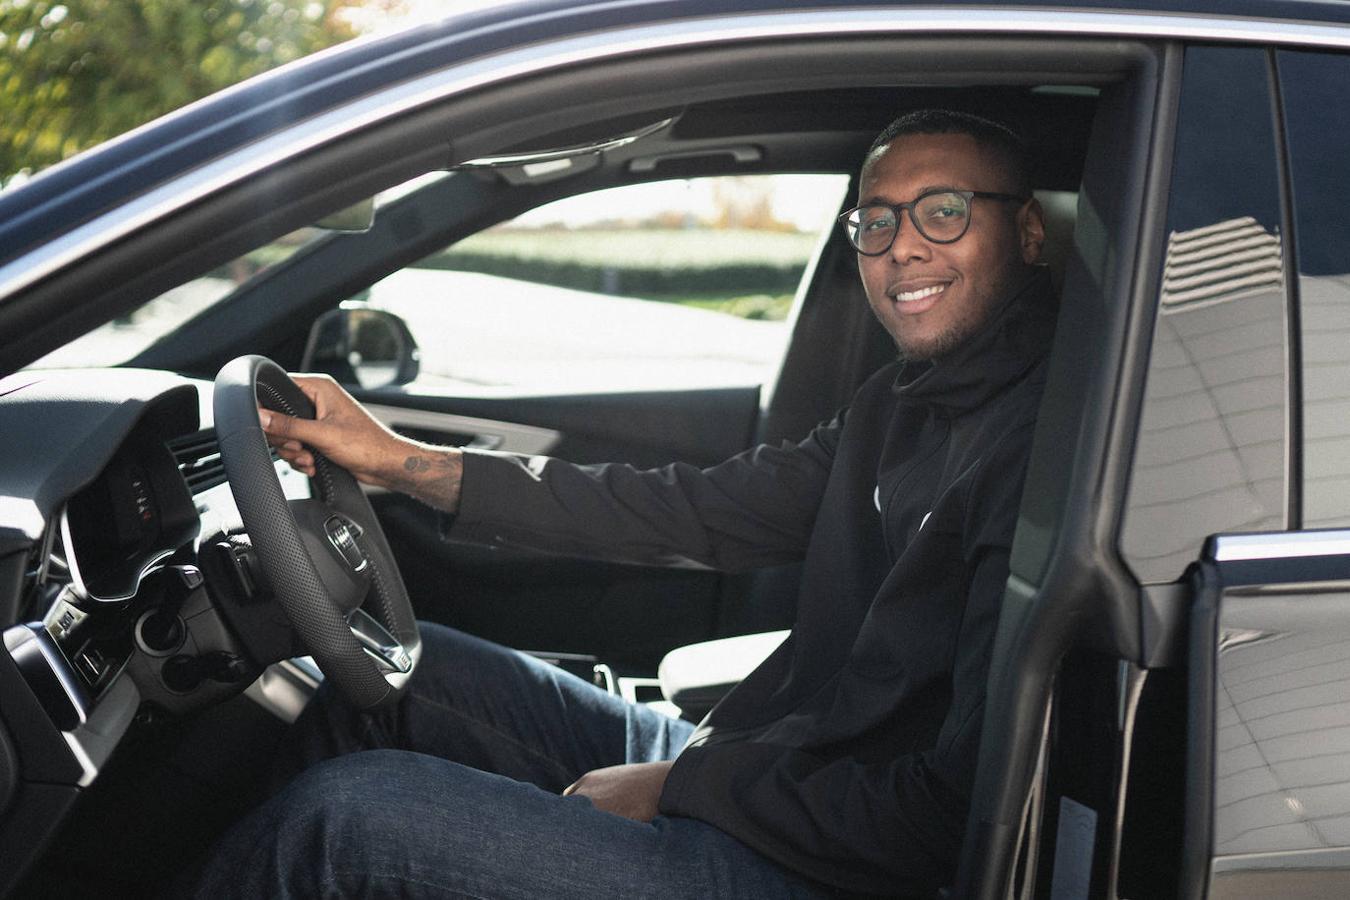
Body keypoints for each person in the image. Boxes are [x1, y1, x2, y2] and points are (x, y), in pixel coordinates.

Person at [191, 109, 1053, 898]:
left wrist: (685, 789)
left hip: (816, 865)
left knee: (339, 822)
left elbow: (945, 813)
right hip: (767, 766)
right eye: (877, 220)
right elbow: (689, 510)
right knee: (398, 682)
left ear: (1027, 229)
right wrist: (399, 463)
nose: (902, 246)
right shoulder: (897, 406)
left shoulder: (1037, 456)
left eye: (943, 211)